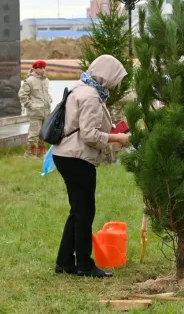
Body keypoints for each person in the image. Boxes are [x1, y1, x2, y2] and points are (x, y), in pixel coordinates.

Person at [51, 55, 132, 278]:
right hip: (77, 157)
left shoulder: (81, 87)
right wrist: (118, 139)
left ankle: (65, 261)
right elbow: (89, 135)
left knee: (77, 211)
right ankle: (84, 265)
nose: (117, 84)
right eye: (117, 78)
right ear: (107, 75)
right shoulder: (91, 96)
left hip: (66, 154)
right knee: (85, 212)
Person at [19, 60, 53, 159]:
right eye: (40, 68)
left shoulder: (46, 80)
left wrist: (49, 99)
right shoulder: (29, 81)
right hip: (35, 112)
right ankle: (30, 154)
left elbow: (45, 93)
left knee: (43, 133)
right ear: (34, 69)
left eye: (43, 68)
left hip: (46, 111)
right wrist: (31, 105)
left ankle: (40, 153)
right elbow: (22, 95)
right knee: (34, 134)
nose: (42, 70)